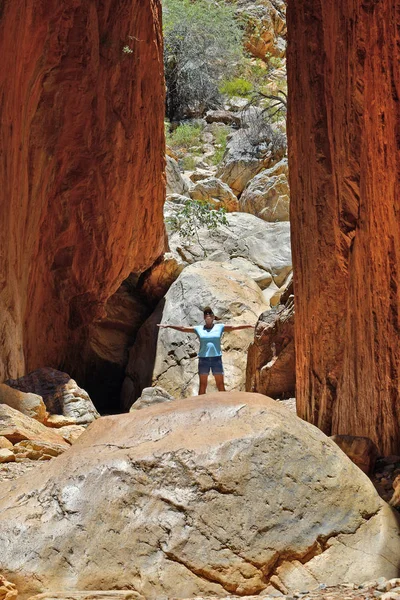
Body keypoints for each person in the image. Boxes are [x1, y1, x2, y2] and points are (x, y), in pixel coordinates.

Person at [157, 306, 253, 394]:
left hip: (216, 358)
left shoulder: (219, 327)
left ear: (213, 316)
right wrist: (169, 325)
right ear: (204, 317)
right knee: (203, 385)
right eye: (206, 314)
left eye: (210, 313)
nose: (208, 315)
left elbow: (234, 327)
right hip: (204, 359)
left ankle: (224, 404)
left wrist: (249, 325)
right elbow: (183, 328)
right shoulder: (198, 329)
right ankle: (200, 407)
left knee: (220, 384)